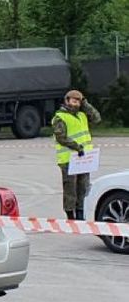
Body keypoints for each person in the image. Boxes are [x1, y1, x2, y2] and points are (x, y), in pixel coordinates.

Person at [52, 89, 101, 220]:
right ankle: (70, 215)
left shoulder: (82, 115)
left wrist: (85, 103)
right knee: (70, 189)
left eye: (78, 101)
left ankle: (80, 214)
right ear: (66, 101)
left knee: (83, 187)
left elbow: (96, 118)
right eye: (73, 101)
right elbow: (61, 137)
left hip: (84, 159)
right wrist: (77, 147)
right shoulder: (60, 117)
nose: (76, 104)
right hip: (68, 159)